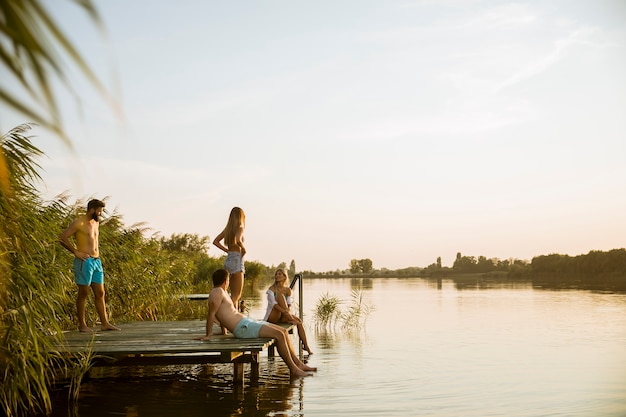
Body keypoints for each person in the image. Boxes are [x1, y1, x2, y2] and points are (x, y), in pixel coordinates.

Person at [197, 269, 316, 378]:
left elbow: (221, 314)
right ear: (225, 281)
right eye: (229, 280)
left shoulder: (221, 292)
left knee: (283, 331)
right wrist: (208, 335)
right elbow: (211, 314)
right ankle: (293, 369)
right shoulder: (217, 292)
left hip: (246, 323)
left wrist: (224, 331)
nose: (229, 282)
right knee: (279, 335)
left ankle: (298, 364)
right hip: (243, 328)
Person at [59, 199, 120, 332]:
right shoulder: (79, 223)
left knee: (100, 292)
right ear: (91, 209)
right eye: (99, 211)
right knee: (84, 293)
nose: (100, 214)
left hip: (96, 261)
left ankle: (105, 323)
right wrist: (76, 252)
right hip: (84, 262)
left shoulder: (96, 222)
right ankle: (82, 325)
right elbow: (62, 237)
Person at [264, 268, 313, 354]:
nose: (277, 276)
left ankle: (306, 346)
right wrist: (286, 313)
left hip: (284, 315)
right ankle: (290, 318)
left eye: (280, 274)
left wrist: (287, 311)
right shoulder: (271, 290)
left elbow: (289, 303)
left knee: (299, 321)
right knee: (280, 296)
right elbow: (274, 305)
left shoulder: (288, 290)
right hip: (273, 317)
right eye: (276, 274)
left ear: (284, 277)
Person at [213, 207, 246, 311]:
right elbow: (238, 240)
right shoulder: (240, 228)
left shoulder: (228, 229)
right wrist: (244, 249)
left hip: (228, 260)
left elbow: (215, 241)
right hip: (237, 260)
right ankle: (220, 313)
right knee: (236, 295)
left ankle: (234, 323)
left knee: (231, 295)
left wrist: (227, 251)